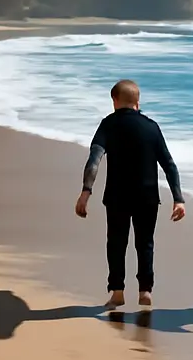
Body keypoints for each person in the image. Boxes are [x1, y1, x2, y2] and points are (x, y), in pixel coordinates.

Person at [76, 80, 186, 309]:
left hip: (117, 196)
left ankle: (117, 292)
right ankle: (145, 291)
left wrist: (86, 192)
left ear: (114, 101)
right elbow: (169, 164)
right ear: (138, 101)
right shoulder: (151, 127)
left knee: (116, 243)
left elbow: (94, 161)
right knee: (145, 243)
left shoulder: (108, 125)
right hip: (147, 197)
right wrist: (178, 198)